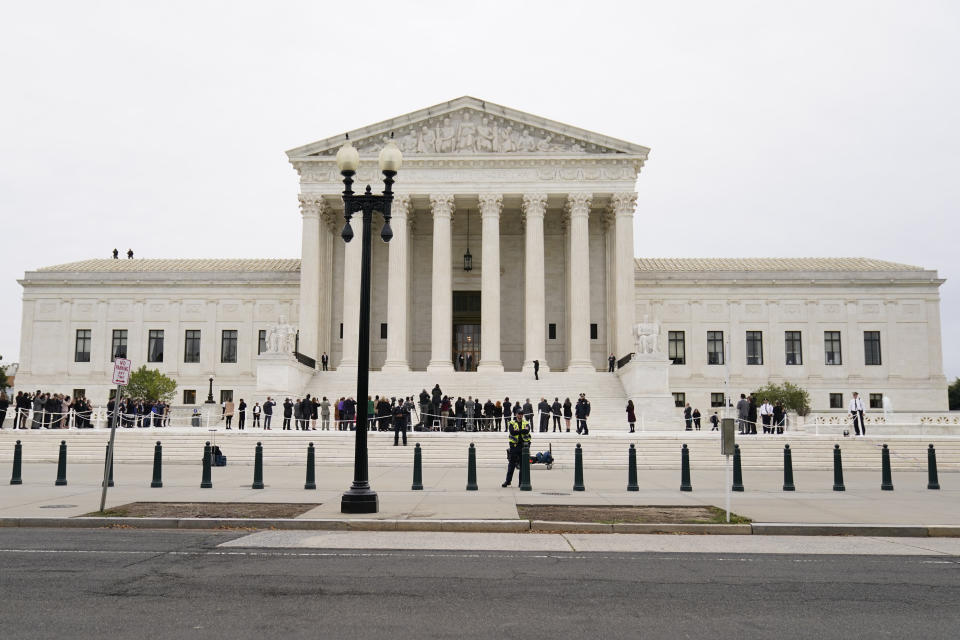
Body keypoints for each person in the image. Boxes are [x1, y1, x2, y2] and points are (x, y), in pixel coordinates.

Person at [502, 407, 530, 487]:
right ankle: (508, 481)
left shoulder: (526, 422)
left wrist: (518, 431)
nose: (520, 415)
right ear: (515, 414)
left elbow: (527, 431)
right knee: (511, 464)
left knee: (522, 465)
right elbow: (512, 432)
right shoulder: (511, 422)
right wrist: (522, 430)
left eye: (521, 414)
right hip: (514, 446)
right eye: (519, 414)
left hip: (523, 446)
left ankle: (521, 482)